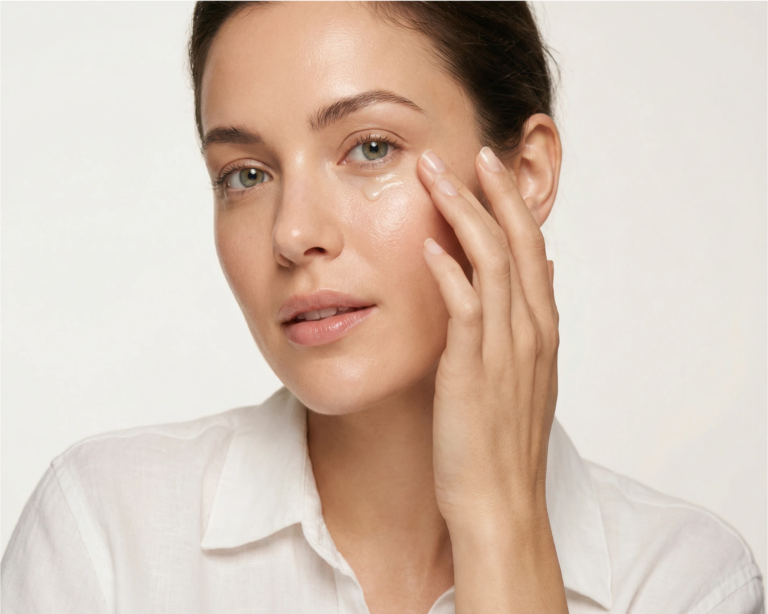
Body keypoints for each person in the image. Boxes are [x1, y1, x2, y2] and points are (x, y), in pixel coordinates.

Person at [0, 0, 764, 612]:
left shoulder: (685, 583)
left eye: (370, 147)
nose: (295, 233)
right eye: (245, 174)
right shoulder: (107, 533)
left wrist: (501, 531)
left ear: (524, 173)